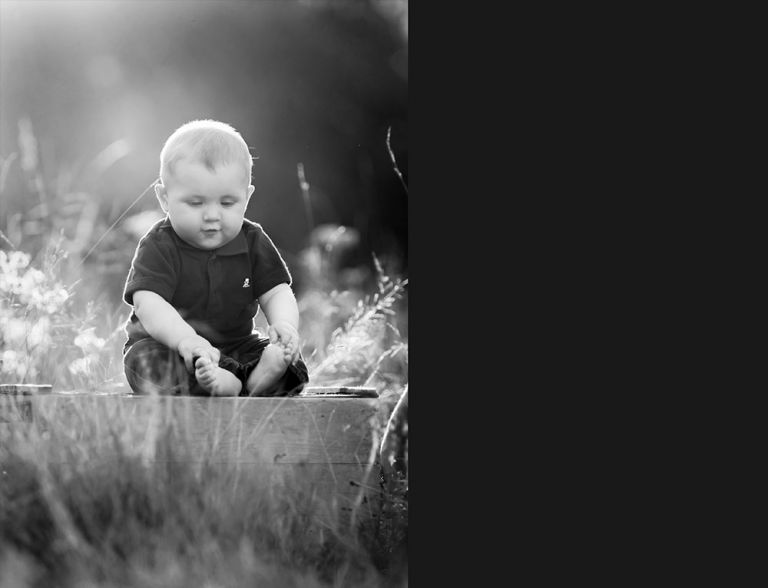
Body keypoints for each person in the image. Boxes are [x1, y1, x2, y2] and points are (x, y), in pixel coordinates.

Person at [122, 119, 309, 397]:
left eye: (227, 203)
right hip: (173, 347)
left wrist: (284, 325)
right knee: (144, 362)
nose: (212, 215)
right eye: (196, 203)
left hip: (239, 346)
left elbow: (276, 292)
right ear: (164, 198)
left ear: (246, 198)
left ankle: (252, 377)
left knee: (294, 367)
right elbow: (149, 304)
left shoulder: (252, 240)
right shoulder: (159, 245)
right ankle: (230, 381)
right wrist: (187, 341)